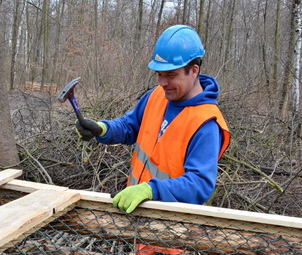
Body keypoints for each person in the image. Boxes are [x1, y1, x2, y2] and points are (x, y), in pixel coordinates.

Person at [76, 25, 230, 213]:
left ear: (194, 70)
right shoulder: (157, 95)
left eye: (171, 75)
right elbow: (130, 126)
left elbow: (199, 185)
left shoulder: (206, 123)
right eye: (159, 74)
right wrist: (103, 129)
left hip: (171, 230)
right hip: (137, 218)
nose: (163, 83)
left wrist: (151, 189)